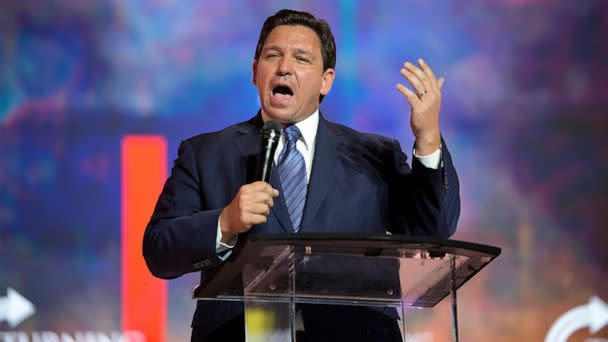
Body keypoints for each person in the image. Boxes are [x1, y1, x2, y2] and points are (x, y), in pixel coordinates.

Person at [143, 9, 460, 342]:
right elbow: (159, 251)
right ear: (255, 72)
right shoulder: (206, 154)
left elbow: (432, 230)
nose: (284, 67)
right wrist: (224, 223)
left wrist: (428, 139)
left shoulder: (374, 156)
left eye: (301, 58)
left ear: (326, 80)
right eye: (273, 55)